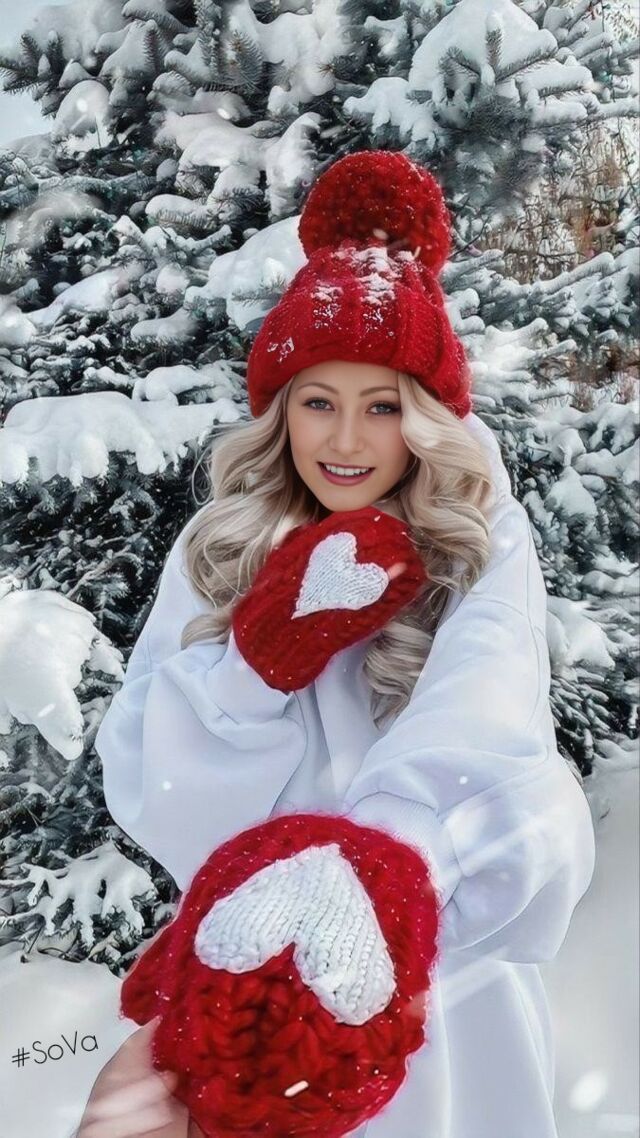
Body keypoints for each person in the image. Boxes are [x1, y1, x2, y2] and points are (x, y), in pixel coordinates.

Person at [87, 151, 596, 1138]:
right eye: (318, 401)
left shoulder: (477, 535)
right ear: (281, 410)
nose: (347, 441)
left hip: (430, 969)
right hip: (259, 975)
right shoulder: (220, 543)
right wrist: (254, 668)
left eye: (383, 406)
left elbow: (487, 712)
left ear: (426, 419)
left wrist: (385, 862)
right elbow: (150, 778)